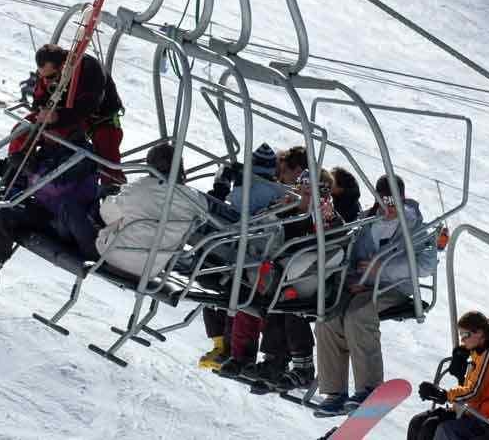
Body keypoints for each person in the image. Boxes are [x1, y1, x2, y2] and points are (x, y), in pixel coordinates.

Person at [315, 174, 434, 415]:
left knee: (359, 316)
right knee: (328, 318)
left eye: (394, 201)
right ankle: (334, 391)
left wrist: (383, 270)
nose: (390, 207)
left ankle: (369, 387)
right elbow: (352, 257)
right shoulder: (366, 222)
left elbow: (427, 263)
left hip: (393, 287)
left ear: (403, 198)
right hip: (364, 288)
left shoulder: (415, 225)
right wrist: (353, 279)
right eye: (384, 200)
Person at [0, 137, 100, 299]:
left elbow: (57, 186)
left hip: (62, 222)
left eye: (45, 110)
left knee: (4, 213)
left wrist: (32, 169)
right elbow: (25, 183)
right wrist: (10, 173)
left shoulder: (80, 153)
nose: (40, 114)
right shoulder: (47, 148)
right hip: (43, 210)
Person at [250, 168, 344, 392]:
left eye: (311, 192)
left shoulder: (326, 214)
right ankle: (275, 360)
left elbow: (339, 238)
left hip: (313, 276)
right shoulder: (289, 208)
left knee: (290, 301)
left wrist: (327, 220)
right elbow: (263, 224)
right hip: (284, 272)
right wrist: (277, 209)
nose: (305, 196)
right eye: (302, 189)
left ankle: (303, 367)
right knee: (274, 301)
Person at [199, 143, 283, 370]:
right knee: (230, 293)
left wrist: (223, 185)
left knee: (219, 287)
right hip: (254, 254)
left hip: (237, 253)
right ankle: (230, 349)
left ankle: (224, 347)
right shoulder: (279, 192)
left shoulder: (244, 193)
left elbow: (229, 207)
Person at [94, 143, 208, 279]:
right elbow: (199, 222)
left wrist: (112, 196)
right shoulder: (197, 201)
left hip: (112, 256)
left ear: (150, 167)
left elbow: (107, 213)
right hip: (151, 269)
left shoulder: (140, 187)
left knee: (109, 214)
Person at [31, 44, 125, 189]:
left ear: (63, 66)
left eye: (50, 77)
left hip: (99, 119)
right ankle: (25, 168)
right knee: (30, 127)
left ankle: (113, 190)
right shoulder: (48, 73)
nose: (48, 81)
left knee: (107, 155)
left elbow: (86, 107)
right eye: (43, 77)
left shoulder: (89, 69)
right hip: (67, 115)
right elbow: (39, 97)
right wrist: (41, 110)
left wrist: (57, 117)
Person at [410, 311, 489, 440]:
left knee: (431, 427)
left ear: (480, 333)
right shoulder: (477, 352)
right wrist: (461, 353)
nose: (462, 339)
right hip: (465, 409)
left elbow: (475, 391)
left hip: (476, 414)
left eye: (465, 334)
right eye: (461, 335)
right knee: (417, 422)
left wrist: (445, 395)